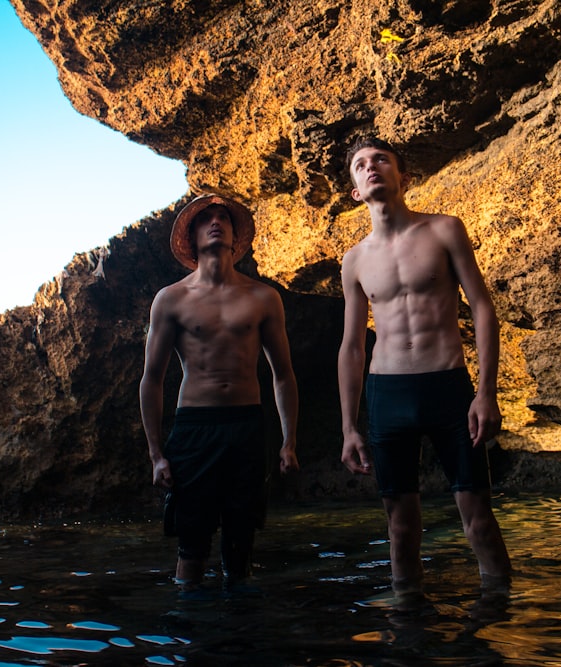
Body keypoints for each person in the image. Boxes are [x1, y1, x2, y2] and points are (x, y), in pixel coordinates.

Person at [337, 137, 511, 598]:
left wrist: (485, 391)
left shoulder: (444, 230)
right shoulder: (353, 260)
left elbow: (482, 308)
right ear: (355, 188)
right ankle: (408, 634)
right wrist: (348, 427)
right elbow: (352, 346)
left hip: (448, 386)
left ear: (403, 176)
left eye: (381, 160)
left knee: (478, 518)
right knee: (400, 529)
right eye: (360, 165)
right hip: (387, 393)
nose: (371, 167)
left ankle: (497, 621)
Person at [140, 193, 299, 595]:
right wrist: (157, 454)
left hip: (247, 426)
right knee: (192, 547)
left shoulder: (263, 297)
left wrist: (288, 441)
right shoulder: (171, 299)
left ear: (234, 235)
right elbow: (151, 379)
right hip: (195, 427)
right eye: (205, 218)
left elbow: (282, 374)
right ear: (191, 236)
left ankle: (238, 637)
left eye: (222, 217)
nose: (216, 222)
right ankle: (189, 635)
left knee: (240, 547)